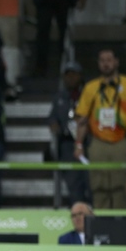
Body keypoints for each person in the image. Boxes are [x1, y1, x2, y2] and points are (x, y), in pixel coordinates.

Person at [74, 49, 126, 209]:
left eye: (109, 60)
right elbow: (82, 120)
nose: (106, 63)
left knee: (122, 186)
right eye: (102, 60)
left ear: (116, 62)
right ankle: (101, 226)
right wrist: (79, 144)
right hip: (98, 142)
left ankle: (121, 227)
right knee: (98, 186)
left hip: (122, 140)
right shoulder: (91, 87)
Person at [48, 61, 91, 205]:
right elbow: (52, 118)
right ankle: (77, 213)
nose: (71, 78)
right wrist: (54, 126)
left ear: (80, 76)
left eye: (74, 75)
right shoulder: (59, 97)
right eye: (68, 75)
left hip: (87, 143)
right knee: (73, 185)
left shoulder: (88, 95)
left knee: (90, 182)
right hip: (67, 144)